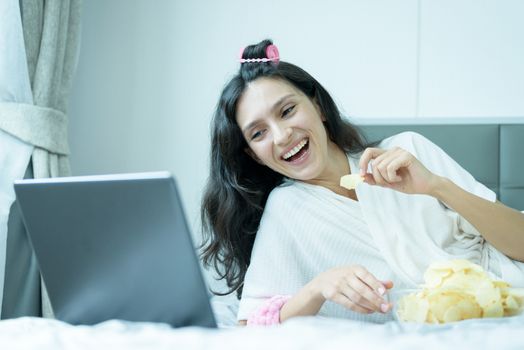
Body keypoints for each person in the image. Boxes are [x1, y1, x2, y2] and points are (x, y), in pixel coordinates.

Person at [200, 39, 524, 326]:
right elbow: (249, 328)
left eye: (287, 111)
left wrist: (436, 185)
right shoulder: (286, 210)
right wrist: (317, 288)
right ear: (253, 154)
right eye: (259, 133)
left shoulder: (409, 149)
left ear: (317, 106)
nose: (282, 136)